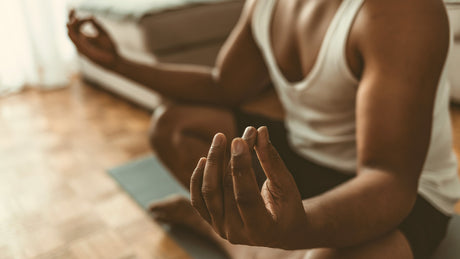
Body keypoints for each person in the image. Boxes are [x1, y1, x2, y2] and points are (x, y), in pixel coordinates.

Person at [68, 0, 460, 258]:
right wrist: (118, 64)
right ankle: (257, 244)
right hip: (307, 158)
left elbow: (388, 180)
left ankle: (260, 244)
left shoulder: (401, 13)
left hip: (402, 193)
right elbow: (225, 84)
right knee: (174, 126)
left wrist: (300, 226)